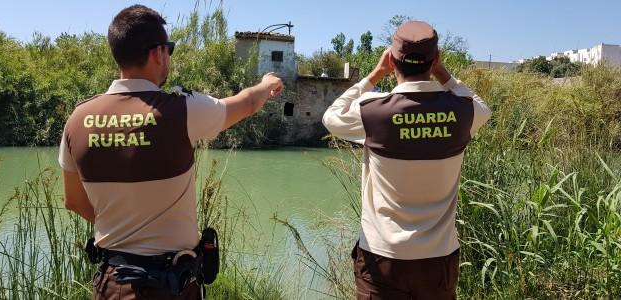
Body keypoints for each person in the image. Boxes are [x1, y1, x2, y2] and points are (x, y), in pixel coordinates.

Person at [58, 5, 283, 299]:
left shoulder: (77, 120)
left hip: (112, 283)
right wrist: (267, 84)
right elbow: (246, 103)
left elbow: (73, 201)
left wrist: (123, 228)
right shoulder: (181, 110)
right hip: (170, 285)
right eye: (169, 50)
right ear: (157, 54)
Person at [322, 21, 491, 299]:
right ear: (435, 59)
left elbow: (332, 116)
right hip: (438, 258)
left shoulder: (374, 112)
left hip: (381, 256)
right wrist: (443, 73)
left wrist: (374, 75)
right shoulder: (462, 112)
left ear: (392, 59)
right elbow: (482, 107)